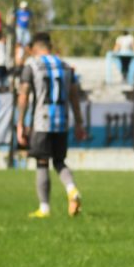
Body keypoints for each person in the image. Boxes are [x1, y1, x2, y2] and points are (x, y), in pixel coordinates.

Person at [16, 32, 87, 218]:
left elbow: (23, 95)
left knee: (41, 162)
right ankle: (72, 190)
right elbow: (74, 96)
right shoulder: (65, 66)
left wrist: (20, 123)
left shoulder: (31, 65)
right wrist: (79, 122)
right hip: (62, 122)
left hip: (41, 121)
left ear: (34, 48)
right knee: (59, 161)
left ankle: (44, 208)